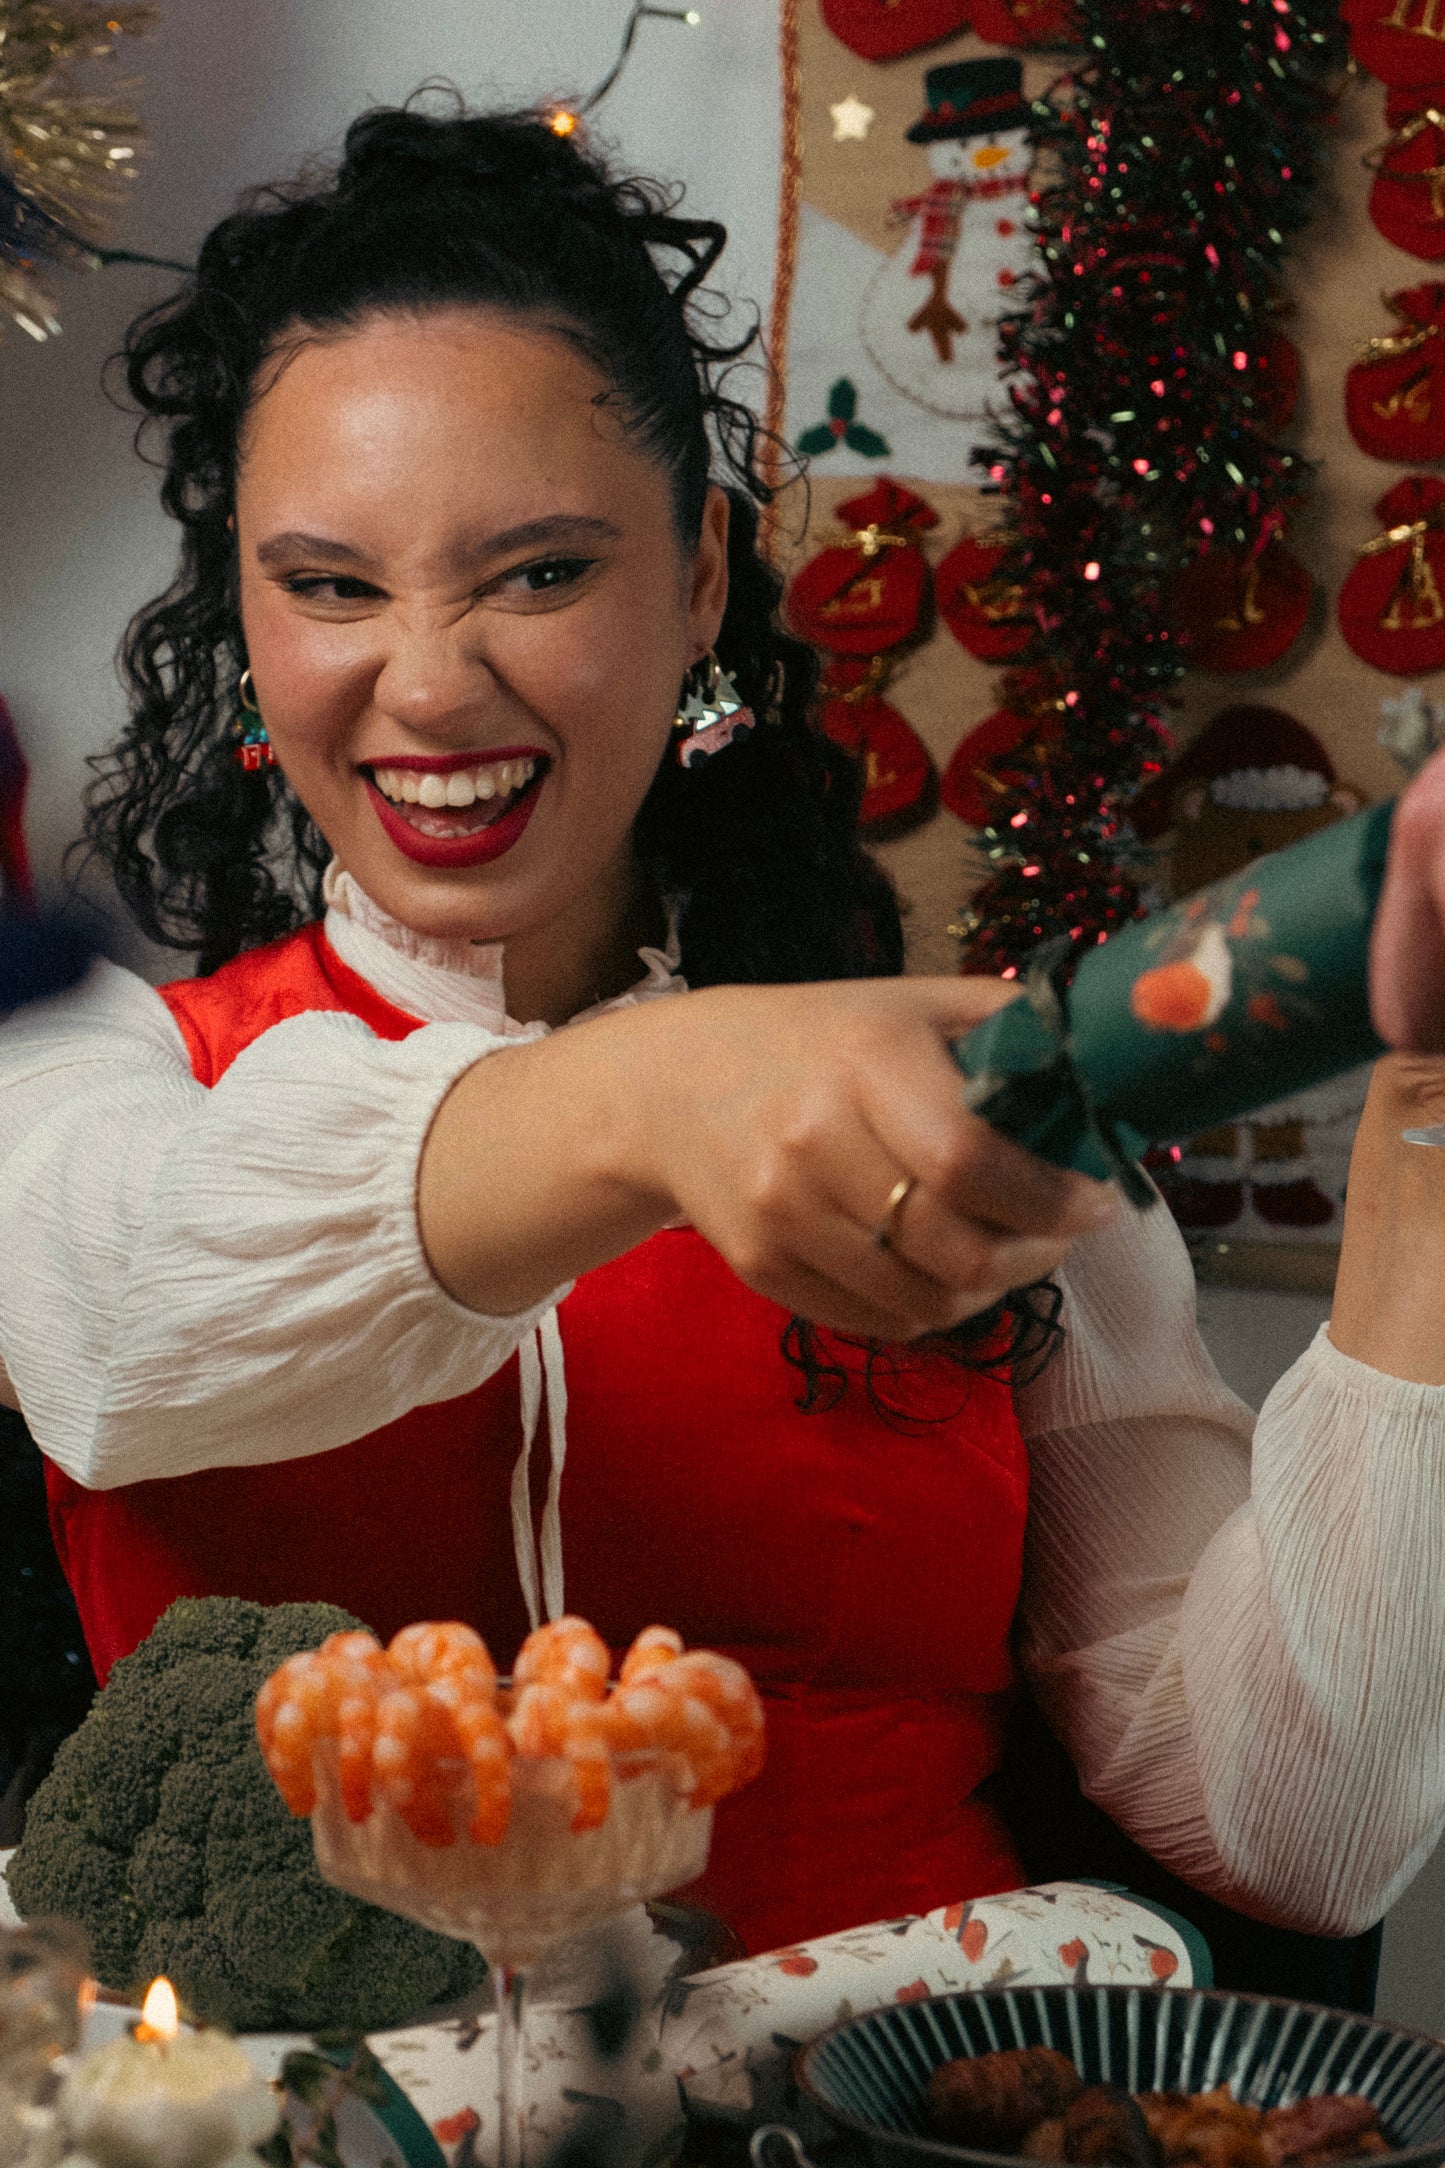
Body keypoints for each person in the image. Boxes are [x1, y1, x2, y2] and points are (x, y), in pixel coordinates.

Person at [3, 102, 1445, 1959]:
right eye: (331, 584)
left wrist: (1422, 1135)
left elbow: (1296, 1841)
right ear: (246, 616)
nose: (428, 684)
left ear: (698, 580)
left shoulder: (954, 1113)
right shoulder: (87, 1072)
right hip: (308, 2094)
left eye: (539, 572)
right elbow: (113, 1320)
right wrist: (652, 1092)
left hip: (893, 2079)